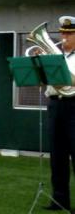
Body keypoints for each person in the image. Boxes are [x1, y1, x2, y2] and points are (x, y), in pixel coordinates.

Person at [44, 15, 75, 211]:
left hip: (74, 106)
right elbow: (48, 84)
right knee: (57, 156)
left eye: (69, 33)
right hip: (55, 105)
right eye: (62, 33)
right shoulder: (55, 57)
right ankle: (59, 199)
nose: (64, 37)